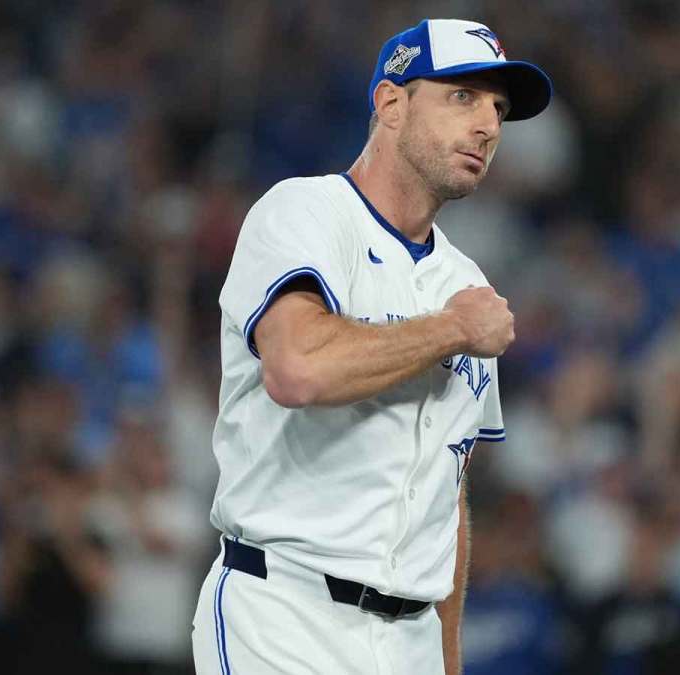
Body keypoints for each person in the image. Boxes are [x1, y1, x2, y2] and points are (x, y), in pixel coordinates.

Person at [188, 18, 551, 675]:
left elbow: (448, 493)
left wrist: (446, 659)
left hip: (409, 637)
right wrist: (451, 330)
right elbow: (296, 369)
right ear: (391, 102)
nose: (488, 126)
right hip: (285, 613)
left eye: (499, 109)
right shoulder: (304, 212)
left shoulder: (467, 283)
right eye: (462, 97)